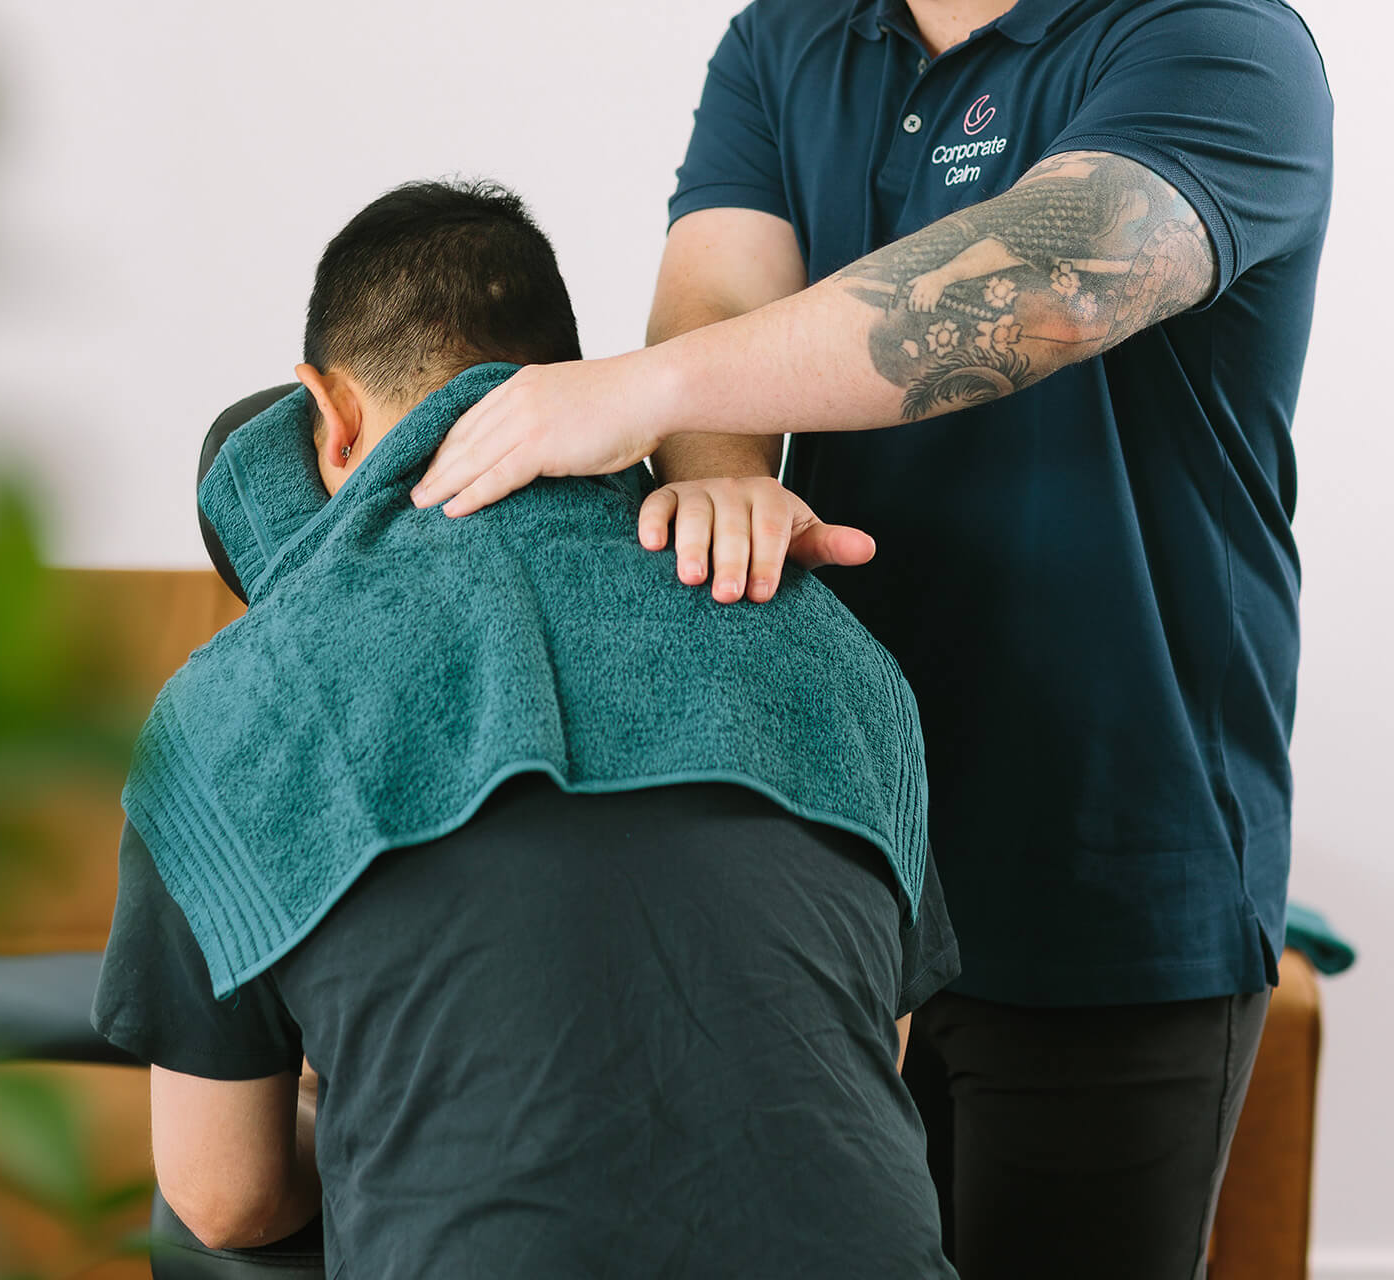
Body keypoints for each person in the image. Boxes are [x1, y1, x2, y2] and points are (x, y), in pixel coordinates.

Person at [408, 3, 1332, 1277]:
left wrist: (637, 394)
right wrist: (720, 470)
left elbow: (1041, 283)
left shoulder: (1217, 38)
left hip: (1114, 875)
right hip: (831, 867)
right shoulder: (788, 39)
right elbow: (721, 288)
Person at [93, 179, 961, 1278]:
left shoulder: (234, 704)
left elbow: (226, 1196)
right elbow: (860, 1052)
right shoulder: (830, 651)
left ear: (332, 412)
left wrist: (383, 1121)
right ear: (565, 380)